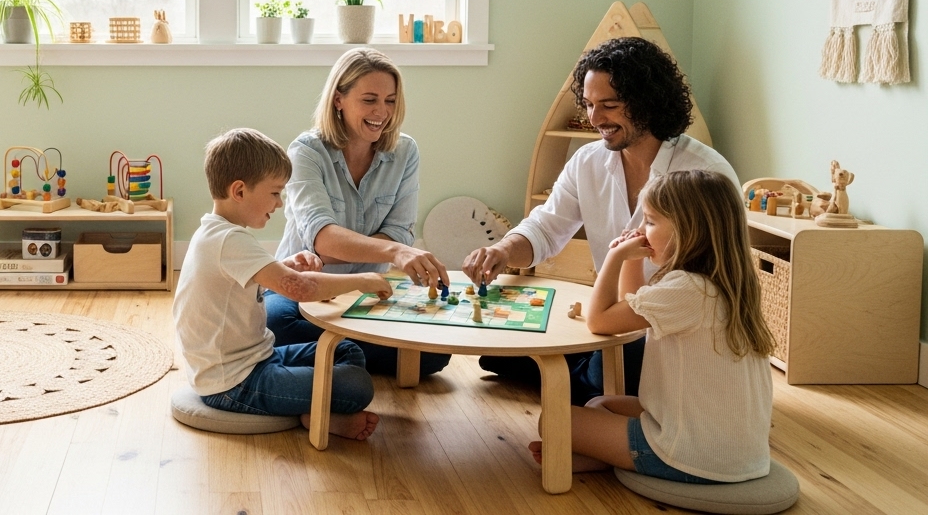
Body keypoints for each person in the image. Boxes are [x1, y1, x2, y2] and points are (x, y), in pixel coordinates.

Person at [463, 36, 737, 404]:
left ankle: (568, 375)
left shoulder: (704, 173)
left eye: (609, 105)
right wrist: (502, 249)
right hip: (611, 320)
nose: (594, 119)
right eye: (589, 105)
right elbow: (545, 227)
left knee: (620, 363)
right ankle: (574, 373)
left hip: (670, 331)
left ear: (648, 102)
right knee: (509, 346)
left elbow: (721, 278)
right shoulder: (587, 162)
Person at [529, 170, 774, 483]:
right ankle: (598, 457)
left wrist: (614, 258)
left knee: (553, 419)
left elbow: (600, 320)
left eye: (650, 221)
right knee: (599, 403)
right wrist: (633, 260)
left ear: (689, 229)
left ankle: (613, 455)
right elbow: (631, 306)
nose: (641, 230)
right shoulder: (725, 285)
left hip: (692, 455)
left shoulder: (688, 289)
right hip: (735, 450)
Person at [173, 128, 393, 440]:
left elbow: (244, 286)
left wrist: (284, 266)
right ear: (239, 191)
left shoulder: (216, 232)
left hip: (258, 358)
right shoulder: (229, 240)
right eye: (275, 192)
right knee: (357, 386)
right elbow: (300, 288)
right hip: (233, 383)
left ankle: (315, 411)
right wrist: (365, 281)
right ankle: (314, 414)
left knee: (348, 352)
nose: (279, 204)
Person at [268, 48, 452, 377]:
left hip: (366, 293)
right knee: (273, 322)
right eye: (369, 100)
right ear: (339, 99)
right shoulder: (305, 151)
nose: (382, 112)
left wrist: (385, 248)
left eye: (390, 100)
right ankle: (351, 354)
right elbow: (322, 240)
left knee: (435, 355)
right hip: (302, 289)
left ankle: (335, 354)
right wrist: (393, 251)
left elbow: (398, 231)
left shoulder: (405, 151)